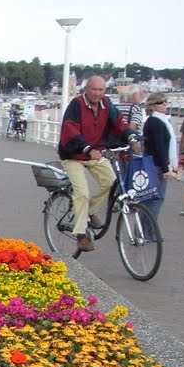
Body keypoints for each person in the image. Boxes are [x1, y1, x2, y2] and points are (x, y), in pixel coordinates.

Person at [57, 75, 141, 252]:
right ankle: (80, 234)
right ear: (86, 89)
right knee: (82, 192)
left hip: (95, 153)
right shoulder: (76, 105)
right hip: (73, 154)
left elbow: (119, 123)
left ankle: (88, 211)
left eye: (101, 90)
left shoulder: (106, 105)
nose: (97, 93)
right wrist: (86, 148)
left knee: (111, 182)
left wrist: (132, 138)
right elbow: (70, 129)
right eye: (94, 89)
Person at [140, 92, 178, 222]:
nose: (165, 105)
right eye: (161, 102)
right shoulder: (157, 122)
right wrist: (166, 168)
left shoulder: (156, 121)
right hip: (156, 165)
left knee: (149, 199)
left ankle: (144, 230)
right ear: (153, 105)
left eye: (165, 102)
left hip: (153, 163)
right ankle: (149, 231)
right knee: (156, 198)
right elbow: (159, 147)